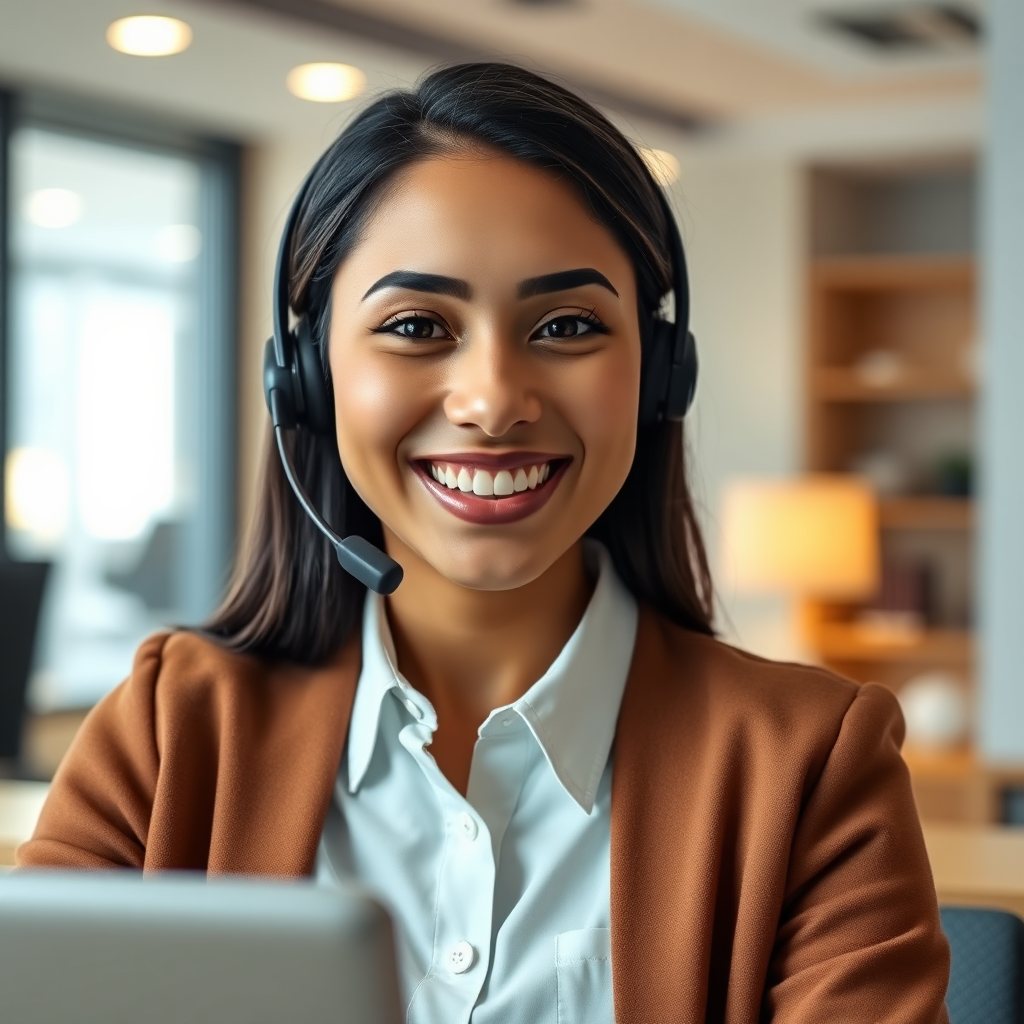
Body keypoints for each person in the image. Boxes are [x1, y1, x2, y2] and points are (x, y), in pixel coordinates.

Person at [19, 63, 950, 1023]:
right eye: (418, 326)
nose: (495, 400)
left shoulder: (813, 766)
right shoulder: (170, 733)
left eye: (568, 325)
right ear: (305, 377)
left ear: (661, 374)